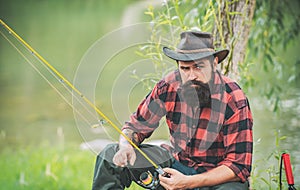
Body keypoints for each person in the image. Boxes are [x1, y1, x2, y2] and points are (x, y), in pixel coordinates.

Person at [92, 31, 253, 190]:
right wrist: (125, 145)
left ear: (214, 63)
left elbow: (238, 166)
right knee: (109, 156)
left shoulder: (233, 97)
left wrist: (189, 182)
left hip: (215, 178)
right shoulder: (168, 86)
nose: (191, 76)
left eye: (198, 67)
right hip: (176, 166)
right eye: (185, 68)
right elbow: (135, 127)